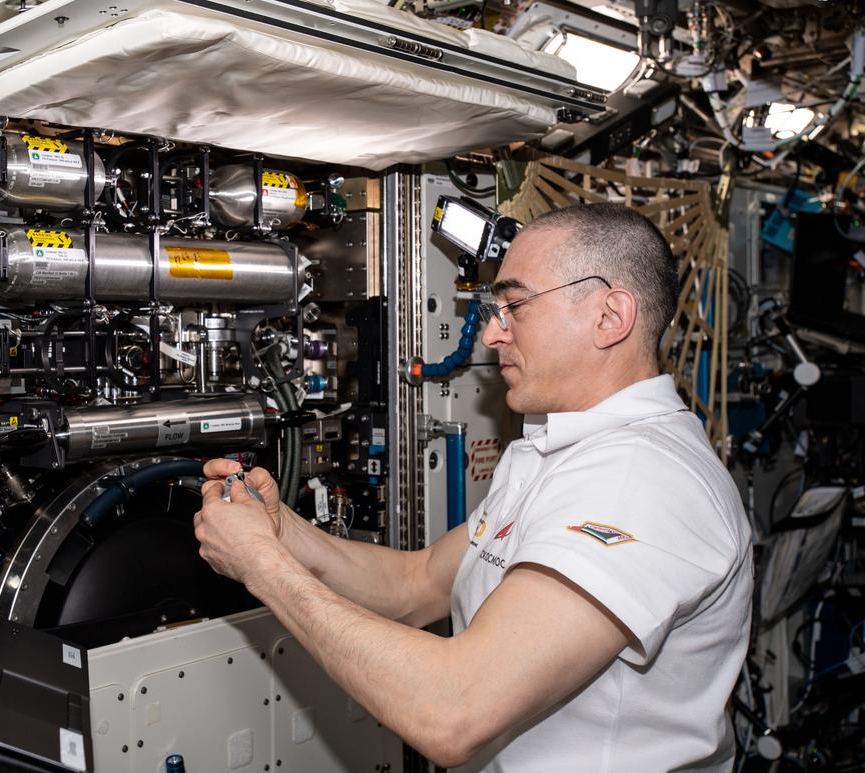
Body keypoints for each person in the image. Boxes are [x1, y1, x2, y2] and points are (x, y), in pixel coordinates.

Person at [194, 203, 753, 771]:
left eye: (514, 305)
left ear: (610, 317)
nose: (491, 331)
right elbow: (417, 585)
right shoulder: (550, 450)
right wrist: (279, 530)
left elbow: (452, 710)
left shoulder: (641, 480)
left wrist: (262, 566)